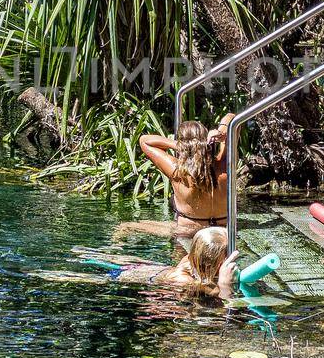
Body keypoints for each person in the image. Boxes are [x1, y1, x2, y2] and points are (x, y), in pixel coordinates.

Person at [137, 113, 235, 238]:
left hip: (188, 232)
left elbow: (144, 141)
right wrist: (221, 133)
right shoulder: (224, 166)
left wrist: (180, 146)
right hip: (223, 230)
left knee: (126, 226)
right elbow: (231, 117)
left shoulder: (178, 172)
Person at [95, 227, 237, 298]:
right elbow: (220, 293)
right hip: (122, 275)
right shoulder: (184, 280)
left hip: (150, 269)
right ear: (208, 264)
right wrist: (225, 283)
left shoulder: (191, 259)